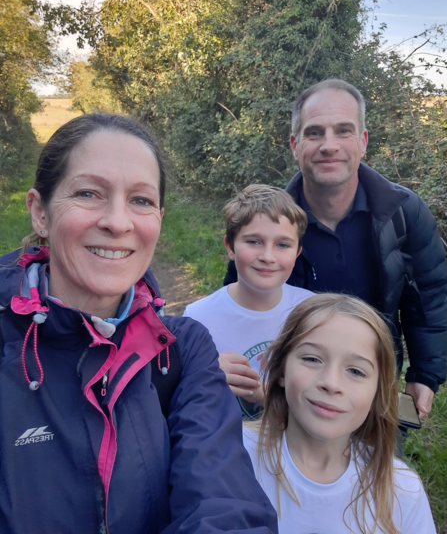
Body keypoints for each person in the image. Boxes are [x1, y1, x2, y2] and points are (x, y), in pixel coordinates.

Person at [0, 114, 278, 534]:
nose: (118, 222)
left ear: (160, 219)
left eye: (141, 201)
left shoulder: (183, 350)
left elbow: (224, 502)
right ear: (40, 212)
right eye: (89, 193)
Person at [225, 79, 447, 418]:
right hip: (287, 393)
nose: (329, 145)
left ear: (363, 141)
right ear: (295, 145)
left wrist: (425, 374)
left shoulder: (404, 213)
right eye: (315, 133)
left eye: (343, 130)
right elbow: (236, 298)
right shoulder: (267, 223)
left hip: (373, 389)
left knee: (380, 471)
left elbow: (432, 293)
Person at [243, 293, 436, 534]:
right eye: (312, 358)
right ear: (280, 370)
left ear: (378, 392)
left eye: (356, 371)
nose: (331, 383)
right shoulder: (229, 456)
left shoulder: (403, 491)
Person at [184, 185, 313, 418]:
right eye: (253, 241)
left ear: (297, 252)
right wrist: (205, 372)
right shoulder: (197, 318)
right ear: (230, 247)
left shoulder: (312, 312)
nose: (267, 256)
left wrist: (266, 394)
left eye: (282, 245)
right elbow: (180, 397)